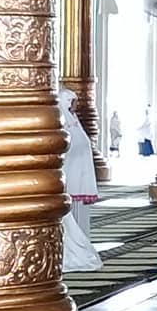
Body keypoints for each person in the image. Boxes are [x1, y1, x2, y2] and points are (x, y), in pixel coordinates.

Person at [58, 89, 102, 272]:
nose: (76, 105)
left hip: (81, 176)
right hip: (69, 178)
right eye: (73, 102)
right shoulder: (64, 124)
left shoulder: (73, 121)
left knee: (79, 219)